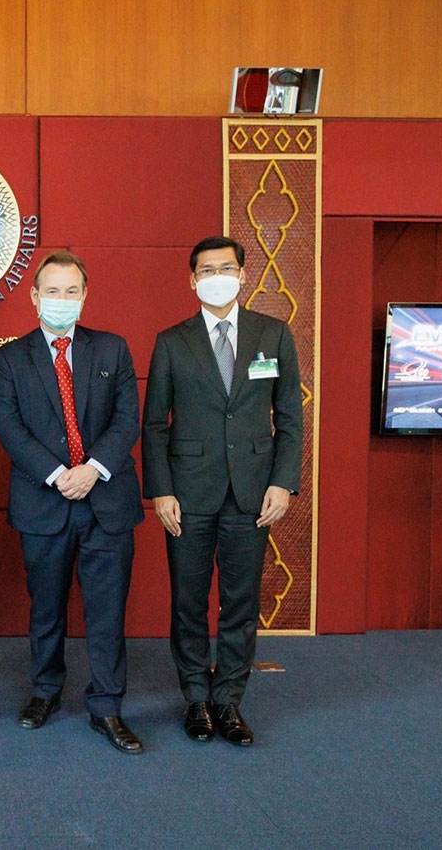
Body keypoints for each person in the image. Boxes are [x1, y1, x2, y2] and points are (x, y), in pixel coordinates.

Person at [141, 235, 303, 746]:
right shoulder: (172, 341)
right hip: (187, 494)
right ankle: (196, 697)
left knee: (241, 601)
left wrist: (283, 481)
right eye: (207, 270)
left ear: (243, 275)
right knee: (188, 602)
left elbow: (291, 419)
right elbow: (154, 425)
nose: (217, 277)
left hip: (253, 493)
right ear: (192, 280)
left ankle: (229, 699)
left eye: (226, 268)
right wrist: (161, 490)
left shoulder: (273, 334)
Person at [0, 251, 146, 754]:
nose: (62, 300)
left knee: (107, 611)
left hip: (106, 500)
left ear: (84, 296)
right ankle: (45, 691)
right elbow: (9, 427)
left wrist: (92, 469)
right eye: (52, 291)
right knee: (46, 609)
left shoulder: (112, 349)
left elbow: (127, 419)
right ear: (34, 296)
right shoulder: (11, 358)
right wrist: (60, 475)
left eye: (71, 291)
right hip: (44, 501)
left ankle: (107, 706)